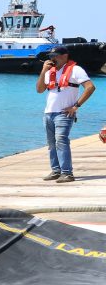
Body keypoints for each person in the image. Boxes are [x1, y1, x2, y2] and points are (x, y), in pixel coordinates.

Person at [35, 45, 96, 182]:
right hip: (48, 113)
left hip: (64, 114)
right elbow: (39, 89)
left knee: (61, 141)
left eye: (55, 55)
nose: (52, 58)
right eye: (51, 56)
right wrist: (44, 70)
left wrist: (76, 106)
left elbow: (90, 87)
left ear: (64, 56)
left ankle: (67, 173)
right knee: (51, 143)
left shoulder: (75, 70)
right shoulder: (49, 71)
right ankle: (56, 171)